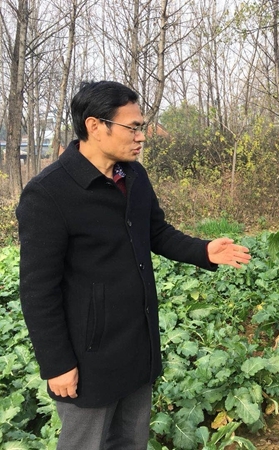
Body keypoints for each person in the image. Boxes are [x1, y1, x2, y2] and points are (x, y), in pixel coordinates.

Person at [16, 80, 251, 450]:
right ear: (95, 126)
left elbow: (156, 232)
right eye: (133, 127)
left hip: (138, 344)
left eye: (142, 126)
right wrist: (57, 364)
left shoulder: (133, 176)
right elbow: (37, 289)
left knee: (131, 441)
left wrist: (204, 250)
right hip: (88, 357)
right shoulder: (49, 193)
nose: (141, 136)